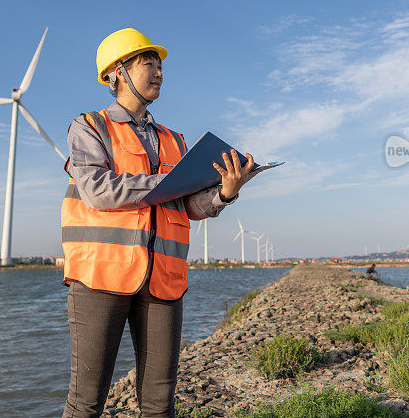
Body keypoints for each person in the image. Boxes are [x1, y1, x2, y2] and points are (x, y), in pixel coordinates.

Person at [60, 28, 259, 418]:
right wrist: (167, 184)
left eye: (161, 65)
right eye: (148, 63)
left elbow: (187, 205)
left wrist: (226, 193)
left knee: (159, 401)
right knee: (86, 402)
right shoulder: (89, 126)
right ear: (117, 71)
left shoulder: (175, 140)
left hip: (163, 280)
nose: (159, 72)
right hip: (101, 278)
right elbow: (97, 190)